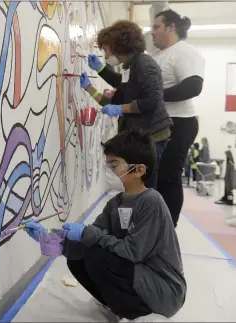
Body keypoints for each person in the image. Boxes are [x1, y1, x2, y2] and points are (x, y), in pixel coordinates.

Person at [22, 127, 186, 321]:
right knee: (78, 256)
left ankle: (139, 314)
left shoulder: (151, 201)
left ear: (139, 170)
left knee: (96, 253)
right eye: (108, 166)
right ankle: (118, 307)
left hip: (164, 289)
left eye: (115, 166)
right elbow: (91, 237)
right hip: (141, 277)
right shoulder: (115, 204)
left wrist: (87, 234)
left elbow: (133, 252)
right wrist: (51, 236)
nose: (110, 173)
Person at [80, 20, 172, 190]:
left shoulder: (144, 64)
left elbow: (152, 101)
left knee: (143, 185)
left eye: (106, 50)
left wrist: (120, 109)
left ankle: (146, 215)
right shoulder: (129, 66)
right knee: (135, 183)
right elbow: (117, 99)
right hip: (141, 134)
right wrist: (89, 88)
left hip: (153, 135)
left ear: (118, 45)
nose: (106, 56)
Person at [147, 5, 205, 227]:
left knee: (168, 177)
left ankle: (167, 231)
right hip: (160, 124)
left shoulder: (184, 52)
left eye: (156, 27)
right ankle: (155, 227)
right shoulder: (158, 55)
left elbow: (192, 87)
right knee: (154, 178)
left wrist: (154, 98)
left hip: (179, 124)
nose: (151, 32)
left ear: (171, 27)